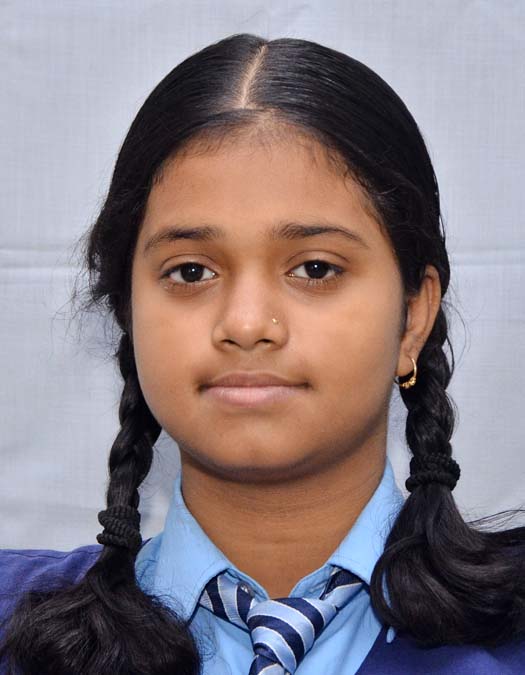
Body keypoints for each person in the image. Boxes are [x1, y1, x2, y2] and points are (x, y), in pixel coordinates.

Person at [0, 32, 524, 675]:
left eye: (315, 268)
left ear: (414, 315)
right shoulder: (14, 629)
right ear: (128, 314)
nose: (246, 325)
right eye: (191, 272)